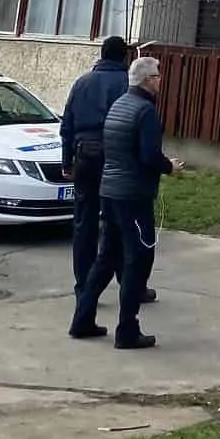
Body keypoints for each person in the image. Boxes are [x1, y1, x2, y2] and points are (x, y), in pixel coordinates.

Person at [70, 54, 176, 350]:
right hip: (133, 196)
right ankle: (127, 329)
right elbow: (148, 155)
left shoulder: (119, 105)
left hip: (110, 191)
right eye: (157, 76)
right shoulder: (145, 112)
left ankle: (82, 319)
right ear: (147, 80)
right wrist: (169, 167)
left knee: (106, 259)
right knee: (137, 260)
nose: (160, 81)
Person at [60, 35, 135, 294]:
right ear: (124, 56)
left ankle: (84, 283)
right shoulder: (127, 84)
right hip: (117, 159)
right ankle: (129, 284)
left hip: (84, 156)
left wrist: (66, 160)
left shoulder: (82, 83)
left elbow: (67, 125)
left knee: (84, 222)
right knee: (121, 221)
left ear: (101, 54)